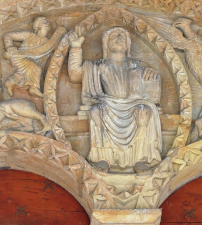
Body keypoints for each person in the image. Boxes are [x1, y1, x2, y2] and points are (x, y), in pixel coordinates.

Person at [68, 27, 162, 172]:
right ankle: (104, 158)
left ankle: (139, 158)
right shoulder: (97, 66)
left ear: (128, 45)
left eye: (122, 36)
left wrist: (152, 73)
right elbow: (75, 75)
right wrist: (75, 47)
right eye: (114, 37)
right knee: (96, 111)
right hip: (109, 104)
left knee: (143, 111)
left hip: (133, 105)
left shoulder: (137, 65)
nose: (119, 38)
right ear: (106, 44)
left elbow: (150, 87)